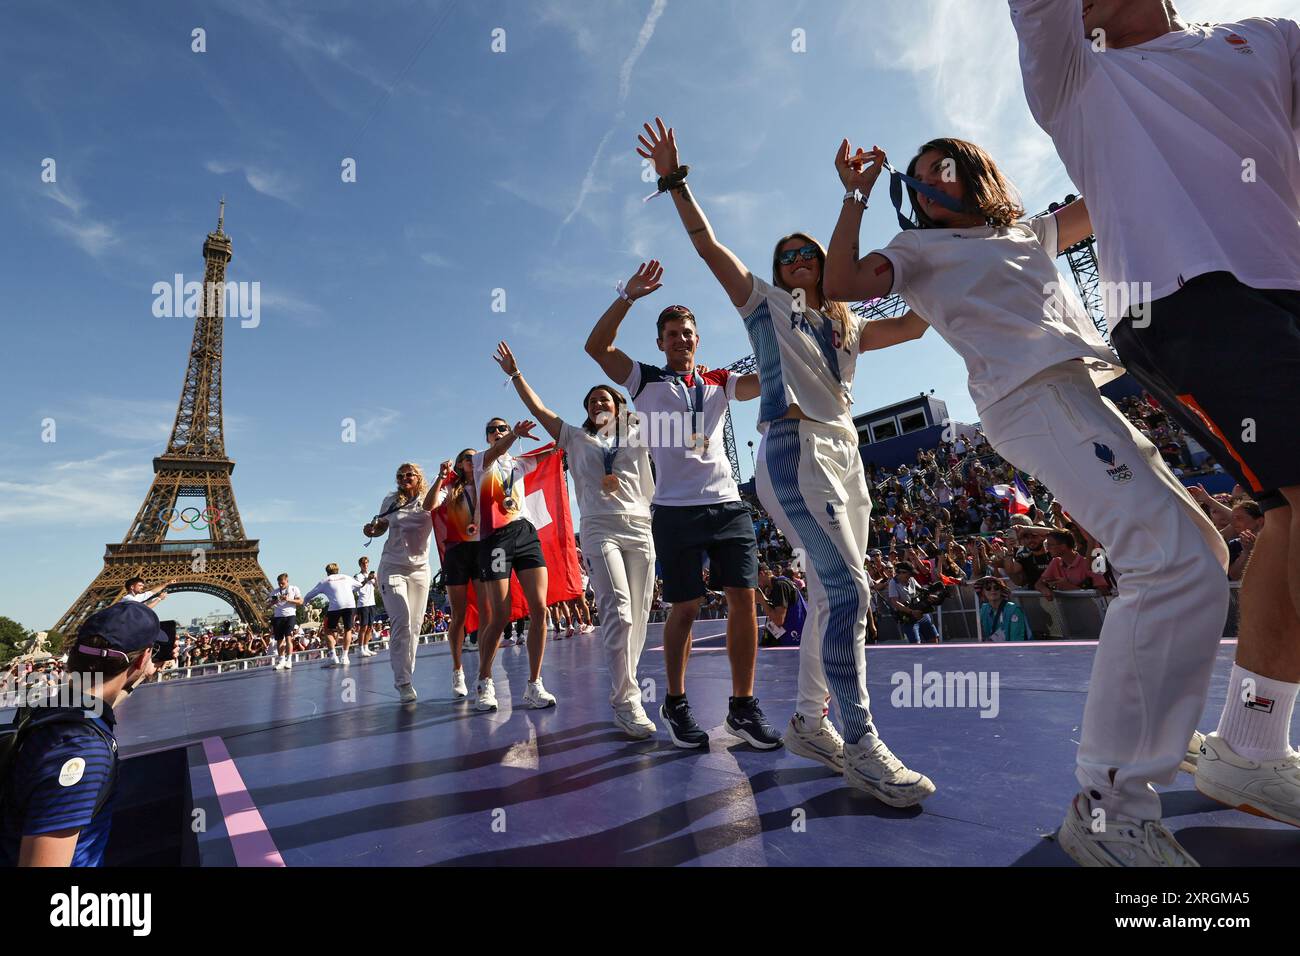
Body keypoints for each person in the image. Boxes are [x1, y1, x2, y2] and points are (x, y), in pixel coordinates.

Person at [824, 134, 1230, 866]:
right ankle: (1107, 805)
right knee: (1167, 566)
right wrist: (855, 194)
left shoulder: (1021, 231)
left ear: (972, 171)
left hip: (1080, 392)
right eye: (914, 180)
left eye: (938, 169)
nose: (924, 185)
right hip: (1032, 399)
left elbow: (1105, 198)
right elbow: (843, 282)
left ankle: (1164, 738)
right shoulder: (915, 251)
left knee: (1203, 550)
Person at [1008, 0, 1300, 841]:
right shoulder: (1077, 76)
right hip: (1184, 299)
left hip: (1283, 289)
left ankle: (1252, 743)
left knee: (1283, 519)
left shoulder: (1270, 37)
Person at [585, 248, 781, 751]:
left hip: (727, 503)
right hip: (674, 509)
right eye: (672, 334)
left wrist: (789, 342)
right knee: (687, 608)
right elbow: (596, 347)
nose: (682, 339)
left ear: (697, 339)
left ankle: (742, 707)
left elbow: (763, 383)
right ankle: (675, 701)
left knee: (744, 599)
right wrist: (627, 296)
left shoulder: (717, 381)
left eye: (688, 333)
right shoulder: (645, 380)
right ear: (661, 342)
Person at [494, 340, 659, 738]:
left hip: (640, 526)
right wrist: (516, 375)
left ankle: (627, 688)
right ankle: (626, 699)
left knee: (638, 616)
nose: (598, 404)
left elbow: (680, 422)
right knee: (617, 611)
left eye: (605, 398)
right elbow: (539, 410)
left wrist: (693, 381)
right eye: (591, 402)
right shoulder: (574, 437)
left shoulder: (639, 432)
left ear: (619, 405)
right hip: (601, 528)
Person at [1, 602, 160, 866]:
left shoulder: (56, 708)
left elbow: (100, 700)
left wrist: (135, 678)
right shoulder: (82, 749)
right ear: (143, 659)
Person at [468, 417, 556, 712]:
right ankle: (484, 681)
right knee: (501, 614)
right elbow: (496, 452)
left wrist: (566, 438)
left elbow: (549, 453)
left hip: (524, 533)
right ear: (487, 437)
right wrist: (514, 435)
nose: (497, 432)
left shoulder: (519, 463)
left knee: (540, 608)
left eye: (502, 428)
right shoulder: (482, 461)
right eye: (492, 429)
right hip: (495, 538)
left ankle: (534, 684)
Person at [363, 463, 437, 702]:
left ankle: (407, 672)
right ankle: (402, 680)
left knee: (415, 625)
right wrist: (371, 531)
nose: (404, 478)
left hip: (420, 569)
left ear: (419, 477)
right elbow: (381, 527)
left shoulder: (430, 497)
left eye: (409, 475)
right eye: (400, 475)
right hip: (393, 566)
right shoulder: (391, 500)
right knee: (401, 621)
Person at [430, 450, 479, 699]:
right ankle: (457, 671)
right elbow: (429, 505)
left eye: (476, 456)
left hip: (483, 549)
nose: (472, 459)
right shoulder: (451, 487)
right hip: (457, 552)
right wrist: (440, 476)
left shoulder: (487, 480)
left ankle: (485, 674)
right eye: (467, 457)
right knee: (459, 614)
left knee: (489, 609)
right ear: (459, 463)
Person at [303, 563, 357, 668]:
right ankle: (345, 656)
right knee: (348, 630)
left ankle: (333, 656)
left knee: (328, 630)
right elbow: (360, 585)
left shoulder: (325, 581)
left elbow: (311, 593)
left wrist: (305, 602)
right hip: (350, 604)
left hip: (335, 606)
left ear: (327, 572)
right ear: (338, 570)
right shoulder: (346, 577)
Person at [887, 563, 941, 645]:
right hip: (909, 617)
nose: (910, 576)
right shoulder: (893, 583)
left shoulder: (911, 579)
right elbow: (895, 602)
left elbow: (921, 590)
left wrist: (929, 595)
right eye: (909, 574)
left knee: (934, 638)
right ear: (901, 573)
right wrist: (911, 612)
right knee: (915, 644)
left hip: (921, 613)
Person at [756, 564, 807, 649]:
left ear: (761, 574)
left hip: (792, 644)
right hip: (795, 639)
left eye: (755, 580)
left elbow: (778, 621)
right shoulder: (780, 583)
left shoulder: (780, 586)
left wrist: (761, 600)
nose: (757, 584)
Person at [977, 577, 1033, 642]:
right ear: (983, 592)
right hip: (993, 650)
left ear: (1001, 590)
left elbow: (1016, 642)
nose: (992, 590)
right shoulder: (984, 609)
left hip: (1014, 650)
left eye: (996, 587)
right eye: (988, 588)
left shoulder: (1014, 610)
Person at [267, 572, 302, 670]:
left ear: (287, 581)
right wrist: (274, 602)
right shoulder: (274, 592)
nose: (281, 585)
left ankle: (289, 659)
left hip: (290, 615)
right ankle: (281, 660)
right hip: (278, 617)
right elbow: (267, 606)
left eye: (282, 583)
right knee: (279, 640)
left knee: (288, 637)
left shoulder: (294, 589)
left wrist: (288, 599)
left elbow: (300, 601)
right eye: (279, 583)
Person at [353, 557, 378, 658]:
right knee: (363, 627)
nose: (365, 565)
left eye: (367, 563)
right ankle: (360, 648)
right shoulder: (357, 576)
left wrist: (375, 578)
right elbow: (358, 586)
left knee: (370, 627)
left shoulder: (370, 575)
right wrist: (367, 579)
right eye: (363, 563)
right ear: (360, 565)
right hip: (363, 603)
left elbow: (376, 586)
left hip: (371, 602)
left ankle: (366, 647)